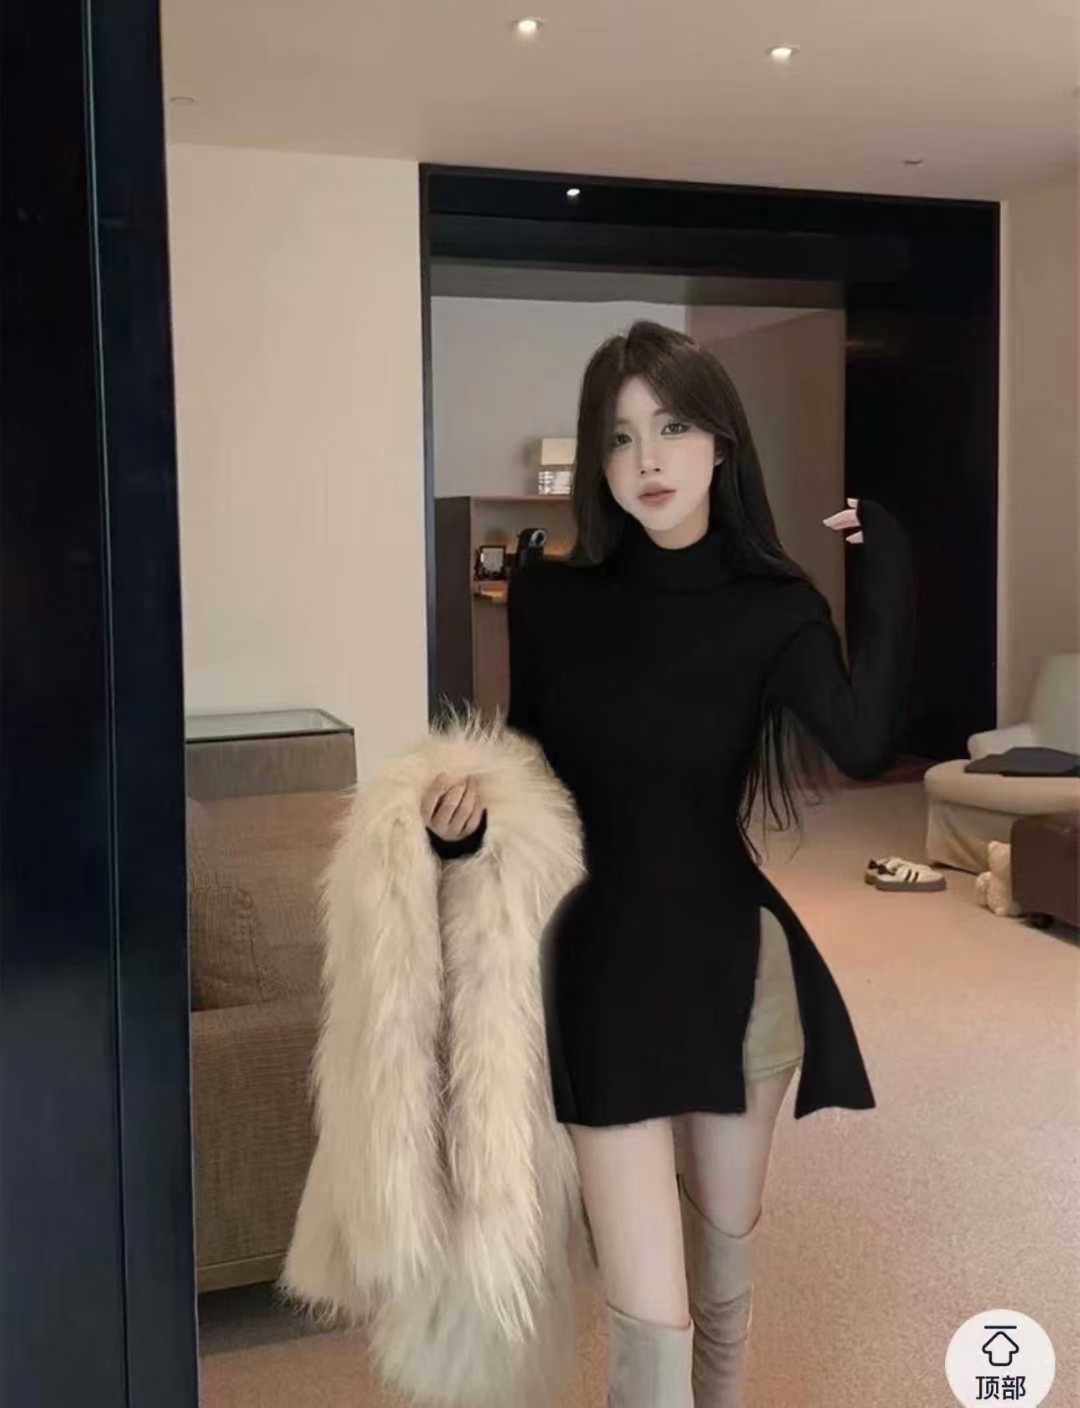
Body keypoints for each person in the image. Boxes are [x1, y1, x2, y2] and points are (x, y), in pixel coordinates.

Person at [420, 320, 916, 1407]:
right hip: (602, 974)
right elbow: (530, 781)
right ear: (598, 463)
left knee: (722, 1284)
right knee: (653, 1330)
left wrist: (884, 558)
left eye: (675, 426)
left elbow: (865, 742)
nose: (648, 458)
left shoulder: (776, 611)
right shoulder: (550, 599)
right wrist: (464, 827)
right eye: (620, 436)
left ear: (722, 443)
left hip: (741, 973)